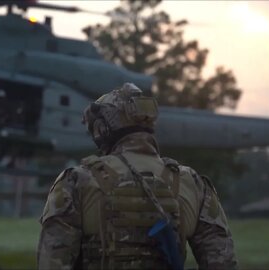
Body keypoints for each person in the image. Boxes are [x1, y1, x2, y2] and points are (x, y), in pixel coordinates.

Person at [37, 83, 237, 270]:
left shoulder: (76, 182)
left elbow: (52, 262)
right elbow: (222, 262)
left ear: (102, 129)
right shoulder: (192, 183)